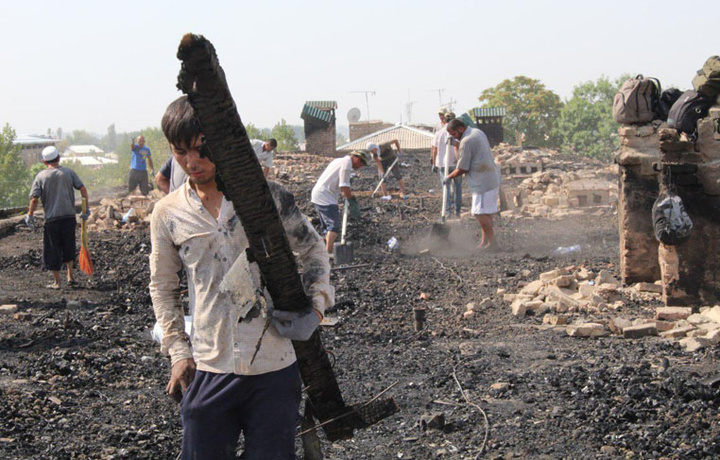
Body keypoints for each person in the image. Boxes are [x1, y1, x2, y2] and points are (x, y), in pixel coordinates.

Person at [149, 96, 334, 460]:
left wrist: (316, 309)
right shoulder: (168, 213)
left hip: (274, 367)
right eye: (180, 152)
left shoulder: (267, 199)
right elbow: (163, 286)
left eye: (201, 150)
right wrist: (177, 351)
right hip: (210, 367)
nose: (192, 163)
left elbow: (313, 250)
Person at [26, 146, 89, 290]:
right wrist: (86, 208)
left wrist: (30, 215)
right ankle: (70, 276)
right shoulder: (68, 173)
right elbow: (83, 189)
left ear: (44, 161)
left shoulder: (41, 176)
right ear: (59, 158)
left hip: (52, 220)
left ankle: (57, 281)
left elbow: (34, 199)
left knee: (53, 249)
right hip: (68, 217)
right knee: (69, 245)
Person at [444, 119, 501, 250]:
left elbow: (463, 168)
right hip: (491, 178)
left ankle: (493, 244)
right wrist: (456, 143)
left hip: (482, 183)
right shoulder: (477, 132)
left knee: (479, 214)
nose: (454, 136)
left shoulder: (466, 141)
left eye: (454, 134)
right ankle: (484, 243)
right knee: (486, 213)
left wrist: (449, 177)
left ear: (460, 129)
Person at [310, 150, 370, 253]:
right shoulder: (347, 165)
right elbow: (344, 187)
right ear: (356, 159)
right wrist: (352, 200)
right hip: (325, 197)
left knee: (327, 227)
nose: (359, 167)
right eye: (361, 164)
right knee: (334, 227)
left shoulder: (339, 160)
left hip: (319, 194)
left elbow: (338, 180)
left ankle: (320, 250)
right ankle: (328, 253)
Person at [431, 111, 462, 217]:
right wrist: (459, 161)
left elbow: (434, 149)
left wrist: (434, 163)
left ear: (444, 121)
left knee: (446, 187)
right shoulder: (456, 133)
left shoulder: (439, 133)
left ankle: (447, 212)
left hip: (443, 164)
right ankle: (457, 211)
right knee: (457, 187)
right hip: (454, 163)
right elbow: (457, 147)